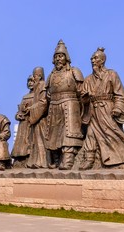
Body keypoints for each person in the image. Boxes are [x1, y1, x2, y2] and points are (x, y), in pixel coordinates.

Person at [79, 47, 124, 170]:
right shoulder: (88, 79)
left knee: (112, 133)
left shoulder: (112, 74)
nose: (93, 60)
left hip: (107, 110)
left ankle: (119, 160)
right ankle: (89, 160)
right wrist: (85, 98)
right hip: (93, 110)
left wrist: (118, 108)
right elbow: (82, 96)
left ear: (102, 60)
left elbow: (120, 94)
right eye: (91, 59)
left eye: (95, 58)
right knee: (91, 134)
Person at [45, 40, 84, 170]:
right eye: (56, 56)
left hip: (70, 104)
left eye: (60, 56)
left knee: (69, 132)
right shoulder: (51, 75)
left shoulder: (74, 71)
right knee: (54, 134)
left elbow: (81, 90)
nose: (58, 59)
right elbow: (47, 93)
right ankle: (56, 159)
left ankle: (68, 159)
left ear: (66, 57)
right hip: (54, 106)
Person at [26, 67, 49, 168]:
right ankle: (35, 161)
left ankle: (43, 162)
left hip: (42, 119)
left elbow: (43, 102)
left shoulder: (43, 85)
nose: (33, 78)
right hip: (36, 118)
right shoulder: (36, 87)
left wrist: (32, 108)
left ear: (39, 76)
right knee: (35, 140)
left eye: (35, 76)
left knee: (41, 140)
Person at [11, 75, 35, 168]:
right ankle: (19, 161)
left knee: (30, 142)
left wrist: (31, 110)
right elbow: (19, 111)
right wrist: (18, 115)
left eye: (32, 81)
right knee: (21, 143)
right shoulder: (25, 97)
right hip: (23, 124)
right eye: (29, 81)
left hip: (32, 123)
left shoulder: (38, 96)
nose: (30, 83)